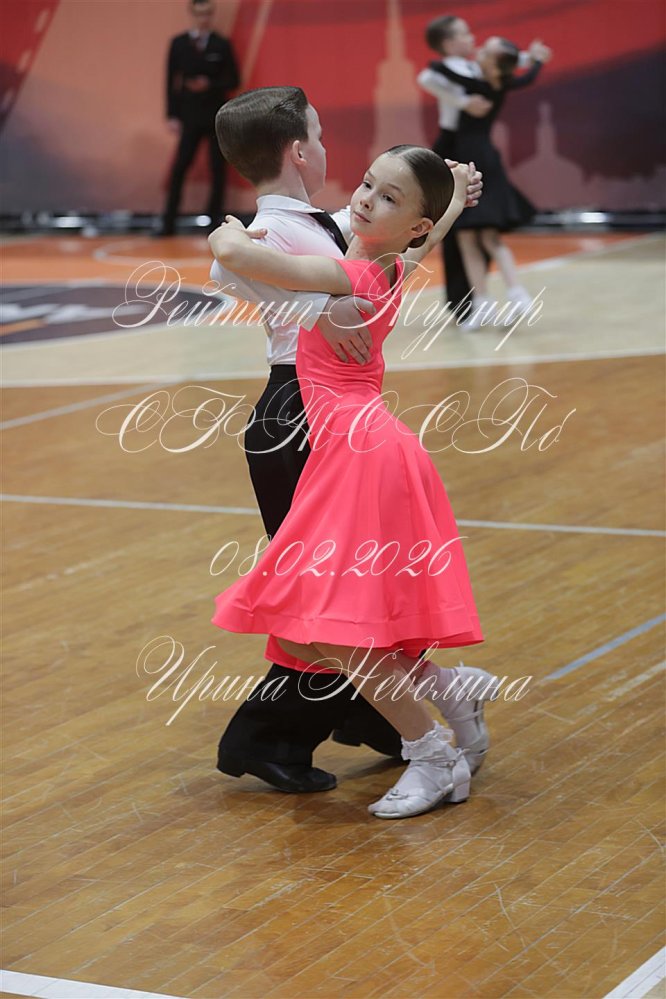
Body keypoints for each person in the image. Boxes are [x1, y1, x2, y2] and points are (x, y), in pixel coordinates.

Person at [207, 87, 493, 797]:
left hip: (339, 433)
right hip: (328, 423)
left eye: (383, 194)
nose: (362, 195)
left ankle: (421, 737)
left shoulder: (350, 254)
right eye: (366, 182)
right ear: (299, 150)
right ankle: (432, 700)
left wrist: (227, 235)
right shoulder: (361, 245)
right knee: (328, 607)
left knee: (327, 610)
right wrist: (450, 203)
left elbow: (229, 258)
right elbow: (413, 242)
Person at [427, 36, 552, 329]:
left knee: (484, 237)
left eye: (485, 52)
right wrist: (534, 60)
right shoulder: (501, 82)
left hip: (476, 162)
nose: (478, 52)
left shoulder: (480, 85)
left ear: (494, 67)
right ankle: (485, 303)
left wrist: (438, 62)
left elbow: (444, 72)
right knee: (469, 237)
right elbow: (527, 77)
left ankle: (515, 294)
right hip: (478, 158)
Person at [417, 15, 493, 316]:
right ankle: (461, 302)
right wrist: (463, 103)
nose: (471, 37)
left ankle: (480, 295)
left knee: (482, 223)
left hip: (477, 146)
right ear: (448, 43)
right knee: (456, 225)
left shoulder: (475, 67)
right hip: (452, 146)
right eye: (464, 33)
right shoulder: (441, 71)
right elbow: (425, 78)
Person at [157, 0, 239, 237]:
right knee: (180, 167)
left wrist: (209, 84)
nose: (203, 19)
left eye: (207, 14)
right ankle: (168, 222)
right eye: (199, 14)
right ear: (192, 14)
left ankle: (214, 223)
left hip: (216, 116)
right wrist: (172, 114)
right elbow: (171, 81)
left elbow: (234, 79)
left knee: (218, 169)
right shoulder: (179, 43)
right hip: (189, 116)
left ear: (211, 15)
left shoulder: (221, 44)